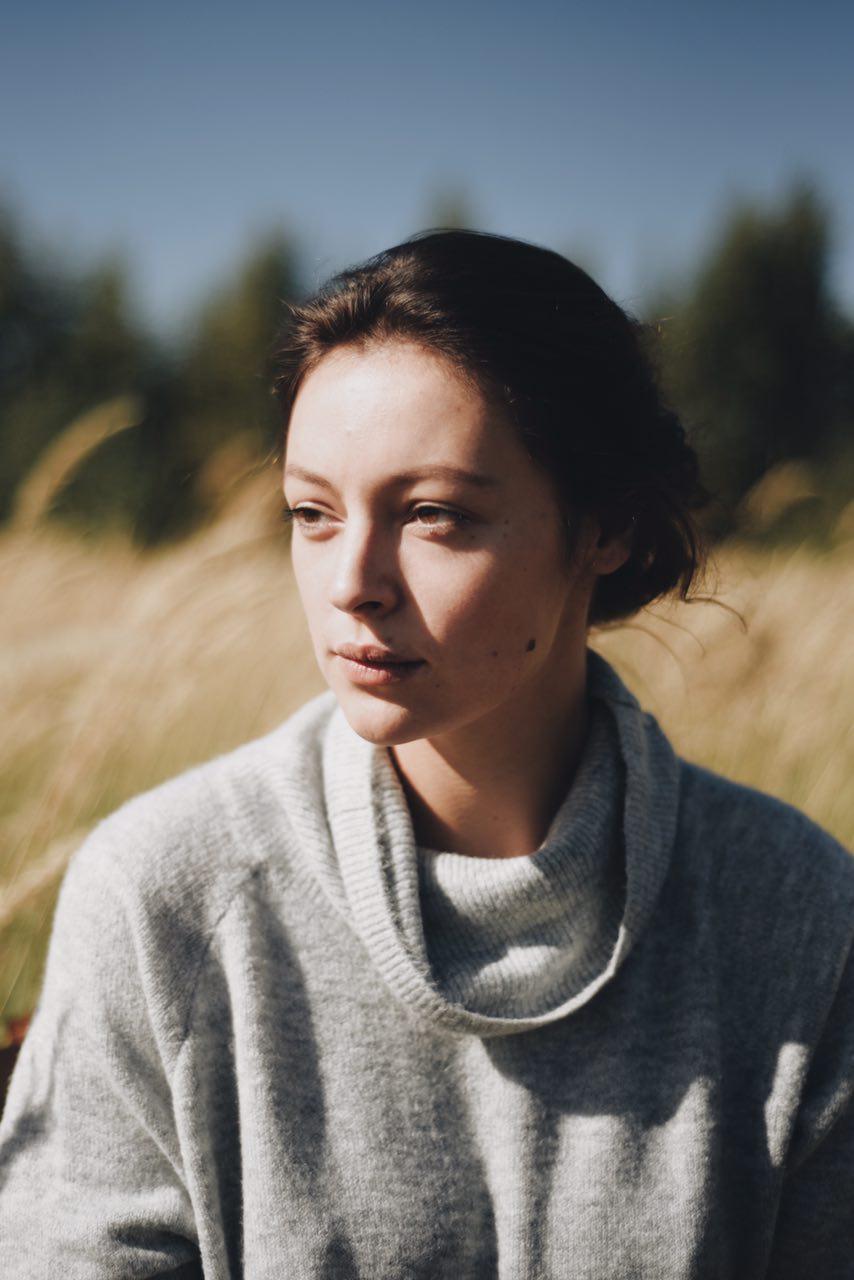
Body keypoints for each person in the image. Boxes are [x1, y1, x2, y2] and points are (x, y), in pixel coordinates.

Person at [1, 229, 852, 1278]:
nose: (352, 582)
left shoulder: (797, 913)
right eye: (312, 513)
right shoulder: (163, 895)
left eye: (433, 514)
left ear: (607, 525)